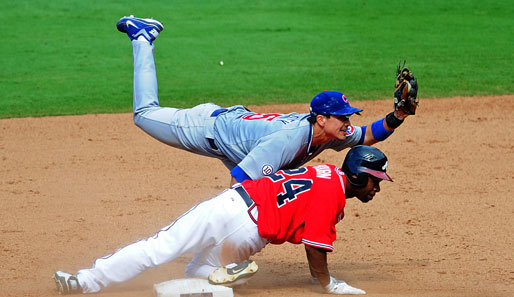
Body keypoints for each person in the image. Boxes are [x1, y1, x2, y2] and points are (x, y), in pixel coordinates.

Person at [53, 145, 393, 295]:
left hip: (233, 209)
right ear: (360, 175)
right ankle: (223, 277)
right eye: (375, 180)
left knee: (159, 249)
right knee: (194, 271)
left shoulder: (326, 173)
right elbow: (315, 247)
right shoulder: (332, 193)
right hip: (250, 234)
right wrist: (327, 284)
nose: (377, 187)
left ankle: (84, 282)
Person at [115, 15, 413, 185]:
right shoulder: (287, 140)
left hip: (238, 140)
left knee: (262, 193)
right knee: (143, 114)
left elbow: (369, 134)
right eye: (343, 117)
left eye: (348, 117)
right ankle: (142, 37)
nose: (348, 123)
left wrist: (398, 115)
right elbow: (240, 180)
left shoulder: (327, 133)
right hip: (205, 128)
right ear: (322, 119)